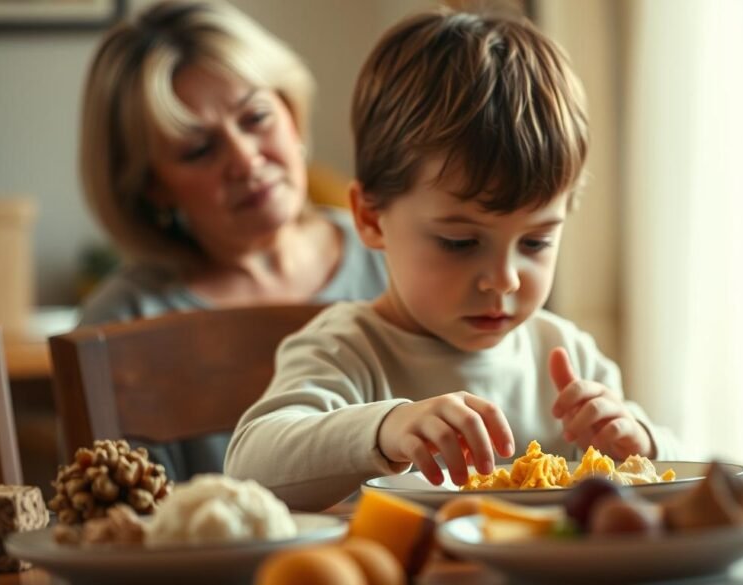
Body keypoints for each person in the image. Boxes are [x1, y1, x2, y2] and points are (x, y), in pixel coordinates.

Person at [225, 9, 680, 510]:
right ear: (372, 219)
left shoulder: (565, 355)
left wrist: (641, 446)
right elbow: (249, 468)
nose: (503, 280)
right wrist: (385, 429)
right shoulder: (345, 351)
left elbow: (682, 476)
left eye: (535, 243)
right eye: (460, 243)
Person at [76, 0, 386, 480]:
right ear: (151, 186)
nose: (244, 159)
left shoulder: (398, 254)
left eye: (255, 118)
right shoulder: (120, 323)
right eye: (200, 149)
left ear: (291, 111)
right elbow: (118, 531)